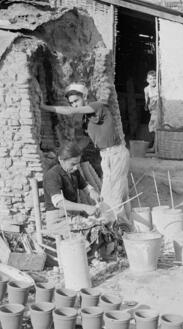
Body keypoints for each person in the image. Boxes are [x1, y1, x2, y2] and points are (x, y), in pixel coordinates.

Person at [41, 83, 130, 223]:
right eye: (71, 103)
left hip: (115, 153)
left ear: (85, 97)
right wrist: (68, 154)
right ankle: (126, 227)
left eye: (76, 101)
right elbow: (84, 141)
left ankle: (119, 229)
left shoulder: (97, 106)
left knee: (112, 196)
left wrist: (44, 107)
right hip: (106, 155)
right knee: (119, 193)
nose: (74, 105)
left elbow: (70, 111)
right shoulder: (87, 120)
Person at [43, 141, 100, 235]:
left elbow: (85, 186)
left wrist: (92, 192)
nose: (76, 167)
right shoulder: (52, 175)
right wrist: (85, 207)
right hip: (58, 220)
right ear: (61, 160)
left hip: (72, 216)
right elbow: (59, 203)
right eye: (73, 164)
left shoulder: (73, 171)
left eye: (78, 163)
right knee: (90, 229)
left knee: (98, 225)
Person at [144, 70, 158, 153]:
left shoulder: (158, 88)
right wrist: (146, 106)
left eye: (154, 78)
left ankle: (154, 148)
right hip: (152, 111)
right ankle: (154, 144)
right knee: (151, 128)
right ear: (147, 80)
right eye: (150, 79)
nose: (152, 80)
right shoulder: (146, 89)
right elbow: (146, 99)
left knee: (156, 128)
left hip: (157, 111)